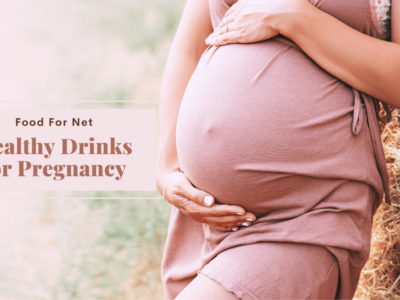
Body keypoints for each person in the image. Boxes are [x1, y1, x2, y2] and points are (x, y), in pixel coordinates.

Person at [156, 0, 400, 299]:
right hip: (203, 220)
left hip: (304, 214)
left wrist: (294, 16)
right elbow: (188, 49)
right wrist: (168, 168)